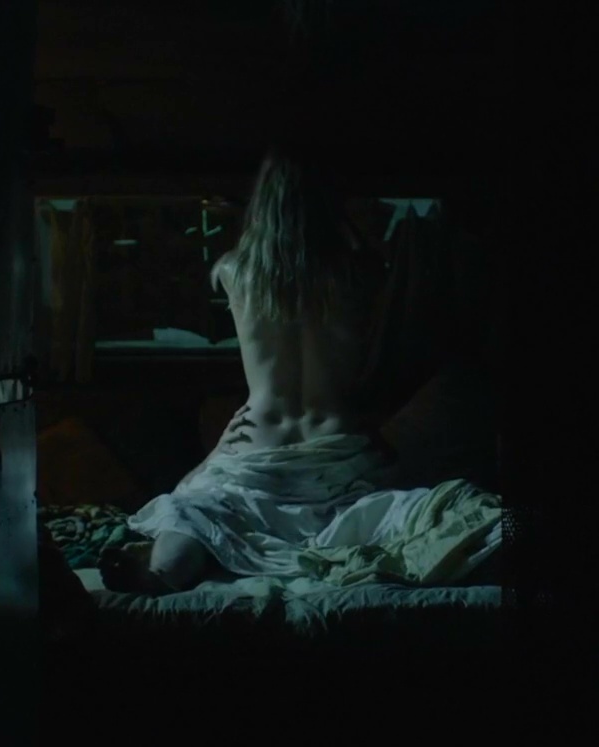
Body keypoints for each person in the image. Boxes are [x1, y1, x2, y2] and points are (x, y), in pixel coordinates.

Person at [99, 146, 403, 593]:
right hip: (335, 446)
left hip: (257, 440)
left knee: (199, 512)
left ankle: (164, 571)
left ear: (261, 203)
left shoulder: (233, 271)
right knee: (390, 513)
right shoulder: (361, 270)